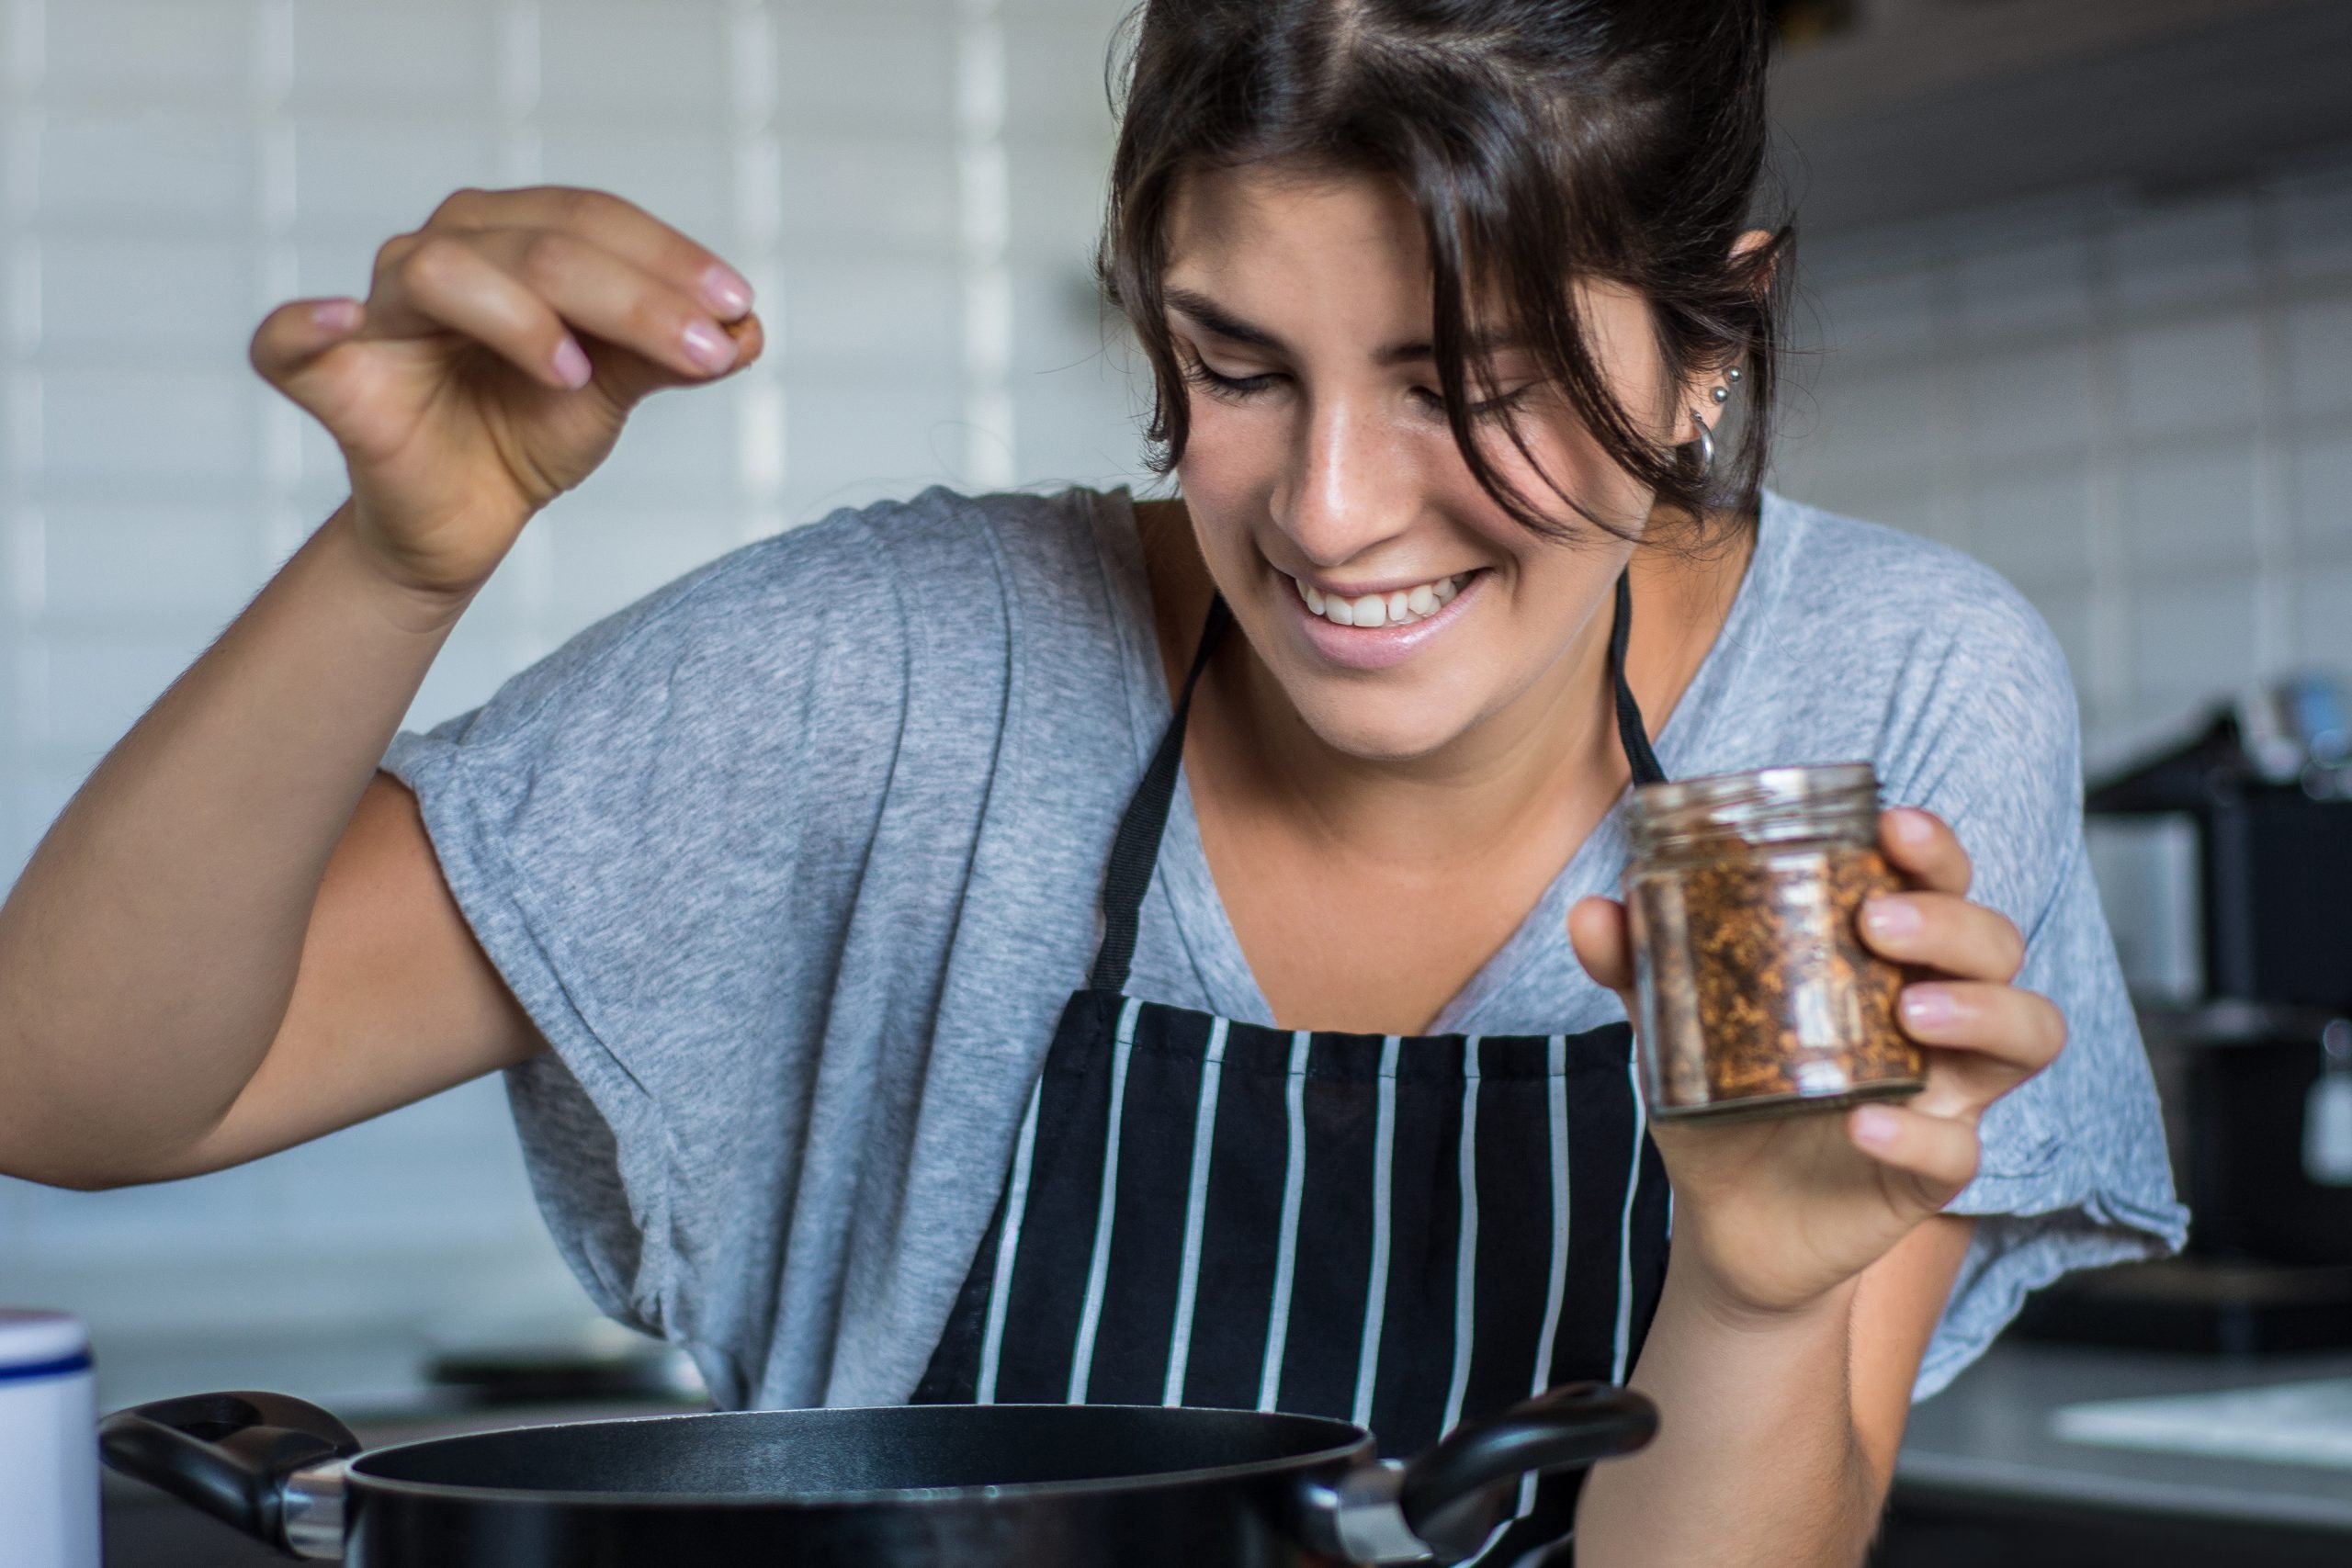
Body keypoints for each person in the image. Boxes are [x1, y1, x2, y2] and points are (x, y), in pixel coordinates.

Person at [0, 2, 2183, 1562]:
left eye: (1466, 385)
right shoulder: (908, 662)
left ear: (1709, 334)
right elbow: (72, 1089)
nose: (1327, 510)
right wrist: (400, 559)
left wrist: (1764, 1289)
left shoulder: (1868, 697)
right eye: (1234, 368)